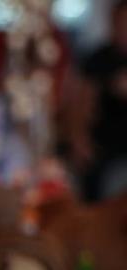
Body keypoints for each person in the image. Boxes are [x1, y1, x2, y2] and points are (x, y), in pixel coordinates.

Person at [72, 1, 127, 200]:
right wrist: (79, 139)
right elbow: (82, 102)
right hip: (105, 151)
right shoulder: (99, 59)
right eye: (121, 23)